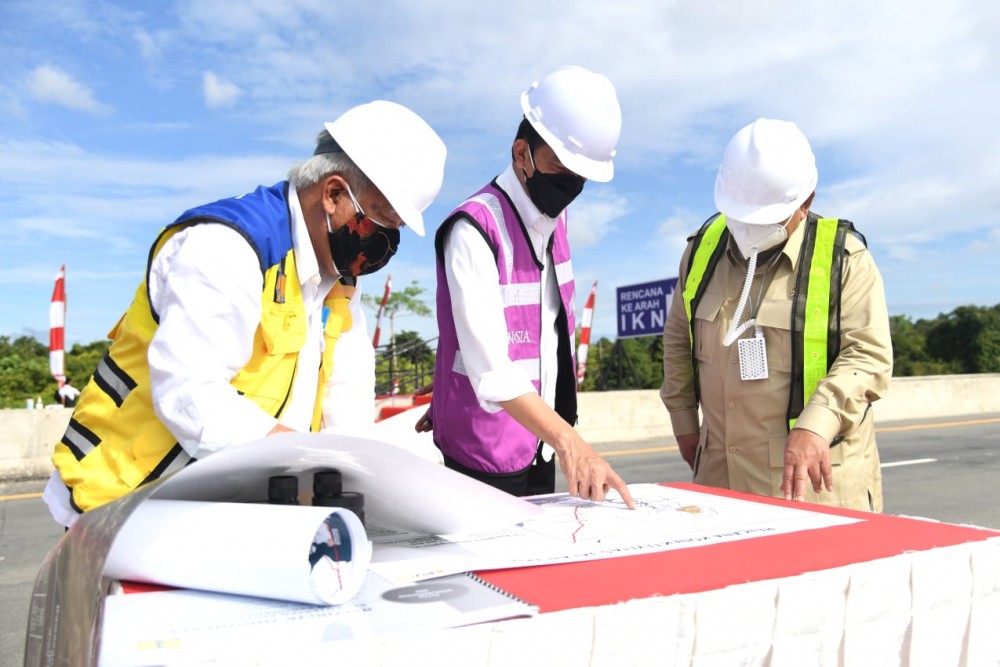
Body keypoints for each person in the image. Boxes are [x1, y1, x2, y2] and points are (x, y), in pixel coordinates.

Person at [43, 101, 447, 528]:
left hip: (220, 510)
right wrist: (309, 459)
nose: (387, 241)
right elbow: (192, 395)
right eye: (384, 218)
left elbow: (345, 403)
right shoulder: (227, 247)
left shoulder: (340, 280)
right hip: (123, 503)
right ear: (333, 194)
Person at [423, 66, 635, 508]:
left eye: (581, 175)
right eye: (560, 166)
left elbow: (546, 333)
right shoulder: (473, 229)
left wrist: (557, 435)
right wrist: (571, 443)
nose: (570, 184)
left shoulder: (554, 223)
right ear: (522, 152)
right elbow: (492, 367)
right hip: (484, 447)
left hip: (539, 439)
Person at [660, 118, 892, 511]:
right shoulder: (702, 252)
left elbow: (867, 355)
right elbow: (678, 340)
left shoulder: (844, 260)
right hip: (721, 481)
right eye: (740, 213)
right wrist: (684, 422)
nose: (749, 227)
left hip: (812, 487)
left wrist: (817, 424)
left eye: (765, 217)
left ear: (807, 201)